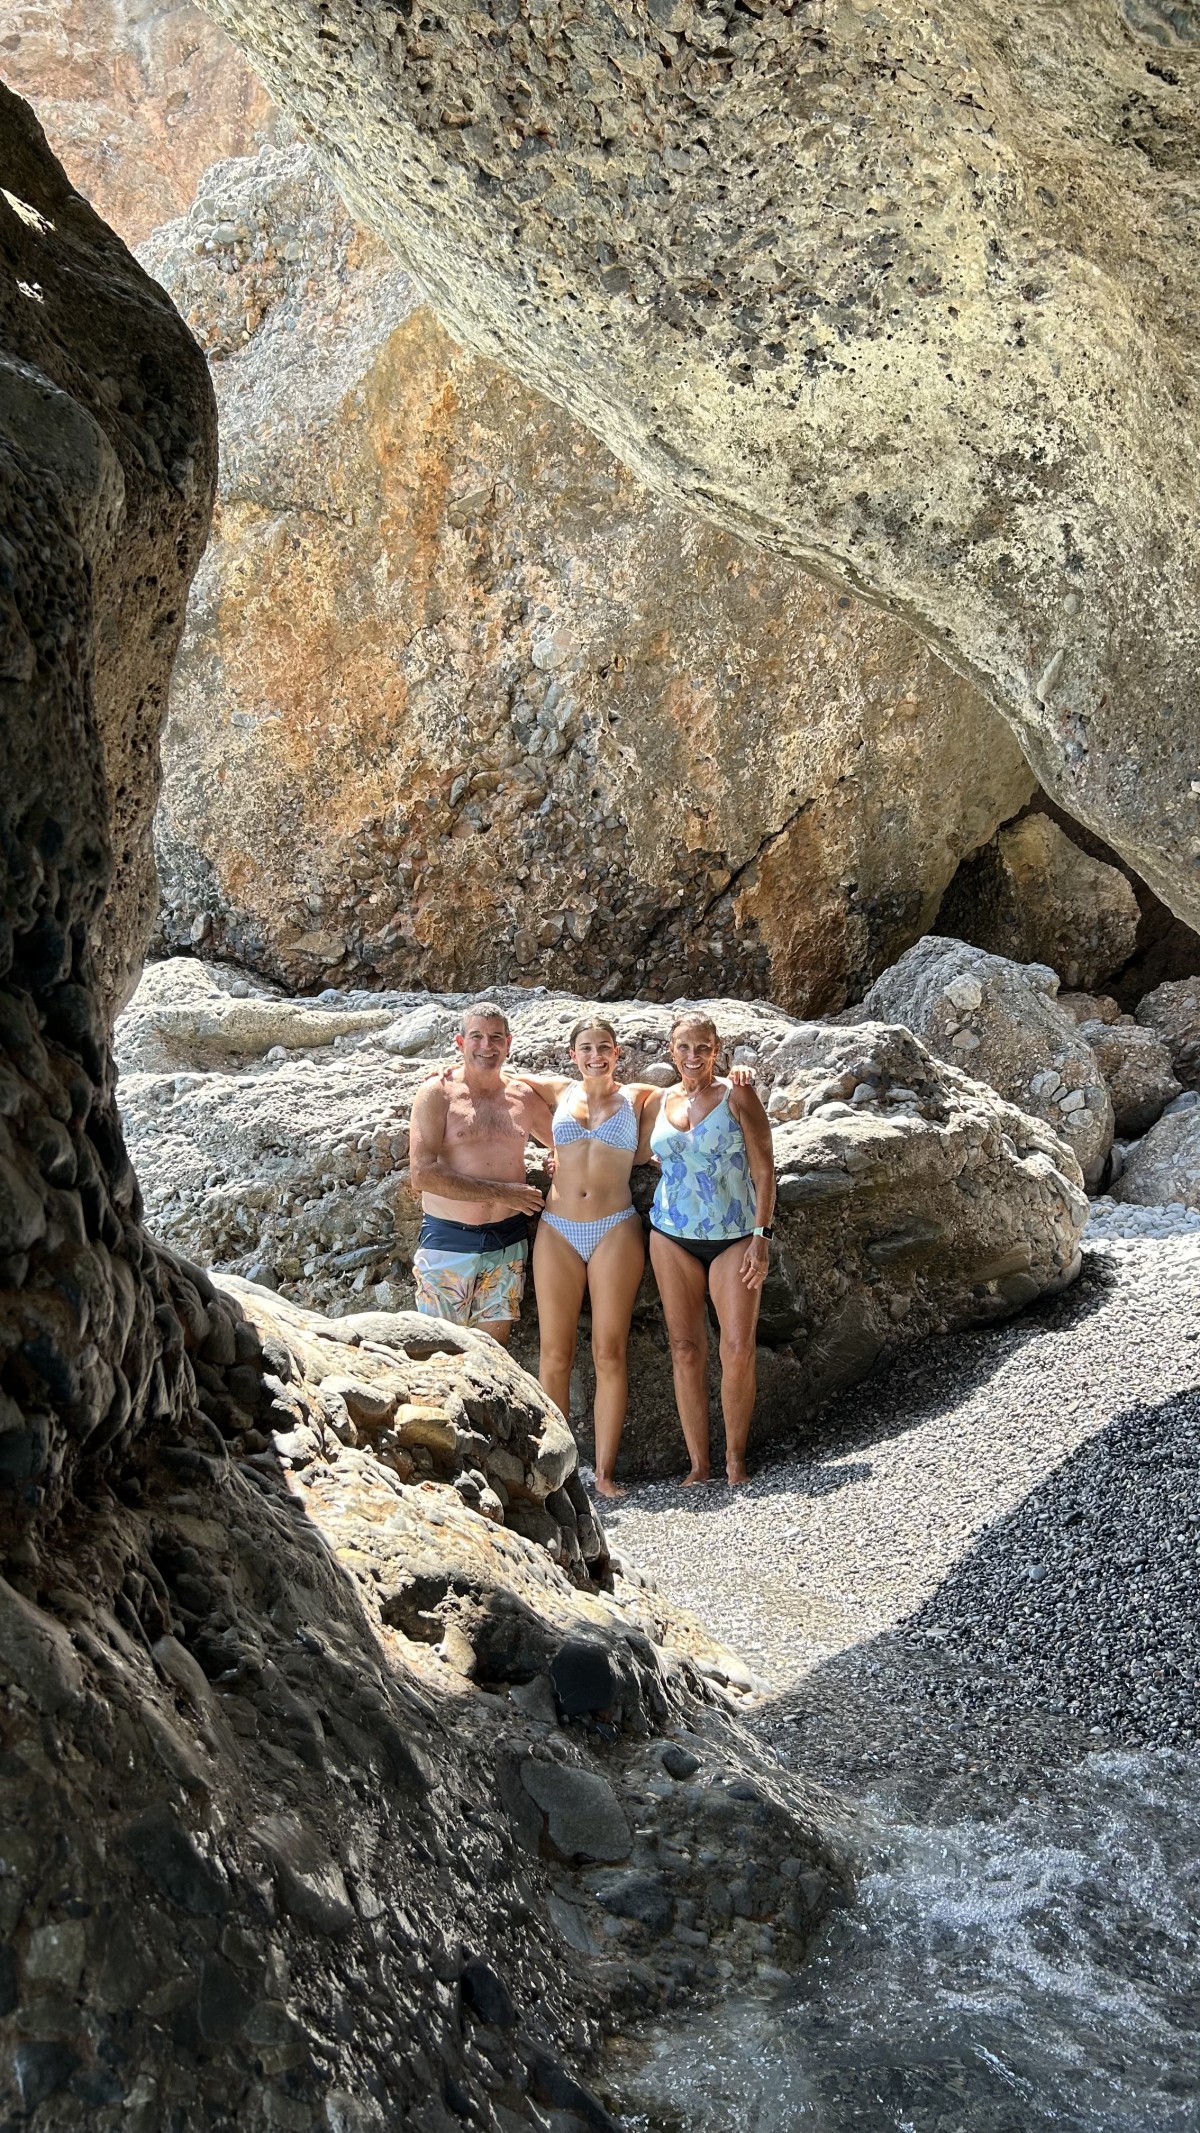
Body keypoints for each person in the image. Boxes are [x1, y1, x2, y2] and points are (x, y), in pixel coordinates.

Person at [515, 1019, 661, 1499]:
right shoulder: (559, 1091)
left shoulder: (639, 1098)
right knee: (554, 1354)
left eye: (604, 1047)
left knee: (609, 1352)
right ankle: (558, 1476)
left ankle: (604, 1474)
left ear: (618, 1053)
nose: (595, 1055)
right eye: (586, 1048)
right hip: (557, 1227)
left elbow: (686, 1094)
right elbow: (504, 1078)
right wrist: (449, 1073)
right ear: (572, 1054)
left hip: (614, 1225)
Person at [647, 1011, 776, 1487]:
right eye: (684, 1047)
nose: (693, 1056)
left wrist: (761, 1238)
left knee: (737, 1347)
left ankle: (734, 1460)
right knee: (685, 1349)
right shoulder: (657, 1100)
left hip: (735, 1236)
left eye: (702, 1047)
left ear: (716, 1050)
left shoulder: (737, 1094)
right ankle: (699, 1464)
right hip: (670, 1235)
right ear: (671, 1049)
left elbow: (765, 1169)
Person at [407, 1003, 552, 1344]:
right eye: (477, 1036)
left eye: (496, 1037)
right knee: (437, 1352)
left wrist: (557, 1156)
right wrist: (504, 1193)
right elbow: (422, 1175)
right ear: (460, 1043)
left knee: (493, 1354)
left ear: (508, 1043)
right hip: (449, 1243)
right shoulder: (437, 1093)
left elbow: (565, 1139)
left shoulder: (523, 1097)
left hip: (507, 1243)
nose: (487, 1045)